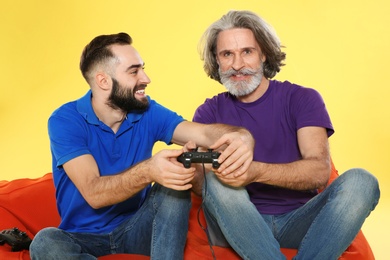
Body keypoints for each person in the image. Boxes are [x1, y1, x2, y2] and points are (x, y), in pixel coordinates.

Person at [29, 32, 255, 260]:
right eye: (134, 71)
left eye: (142, 68)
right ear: (103, 81)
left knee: (176, 175)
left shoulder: (147, 110)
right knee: (45, 241)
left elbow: (203, 132)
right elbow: (94, 193)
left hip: (138, 229)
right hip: (84, 238)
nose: (146, 78)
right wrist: (149, 170)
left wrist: (240, 135)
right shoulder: (66, 120)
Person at [191, 10, 380, 259]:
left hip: (300, 221)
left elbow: (319, 173)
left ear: (264, 53)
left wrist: (254, 171)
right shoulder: (208, 111)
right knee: (216, 182)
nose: (237, 65)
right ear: (217, 60)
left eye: (247, 52)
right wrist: (196, 169)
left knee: (363, 181)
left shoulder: (302, 99)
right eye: (227, 54)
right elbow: (201, 189)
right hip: (238, 223)